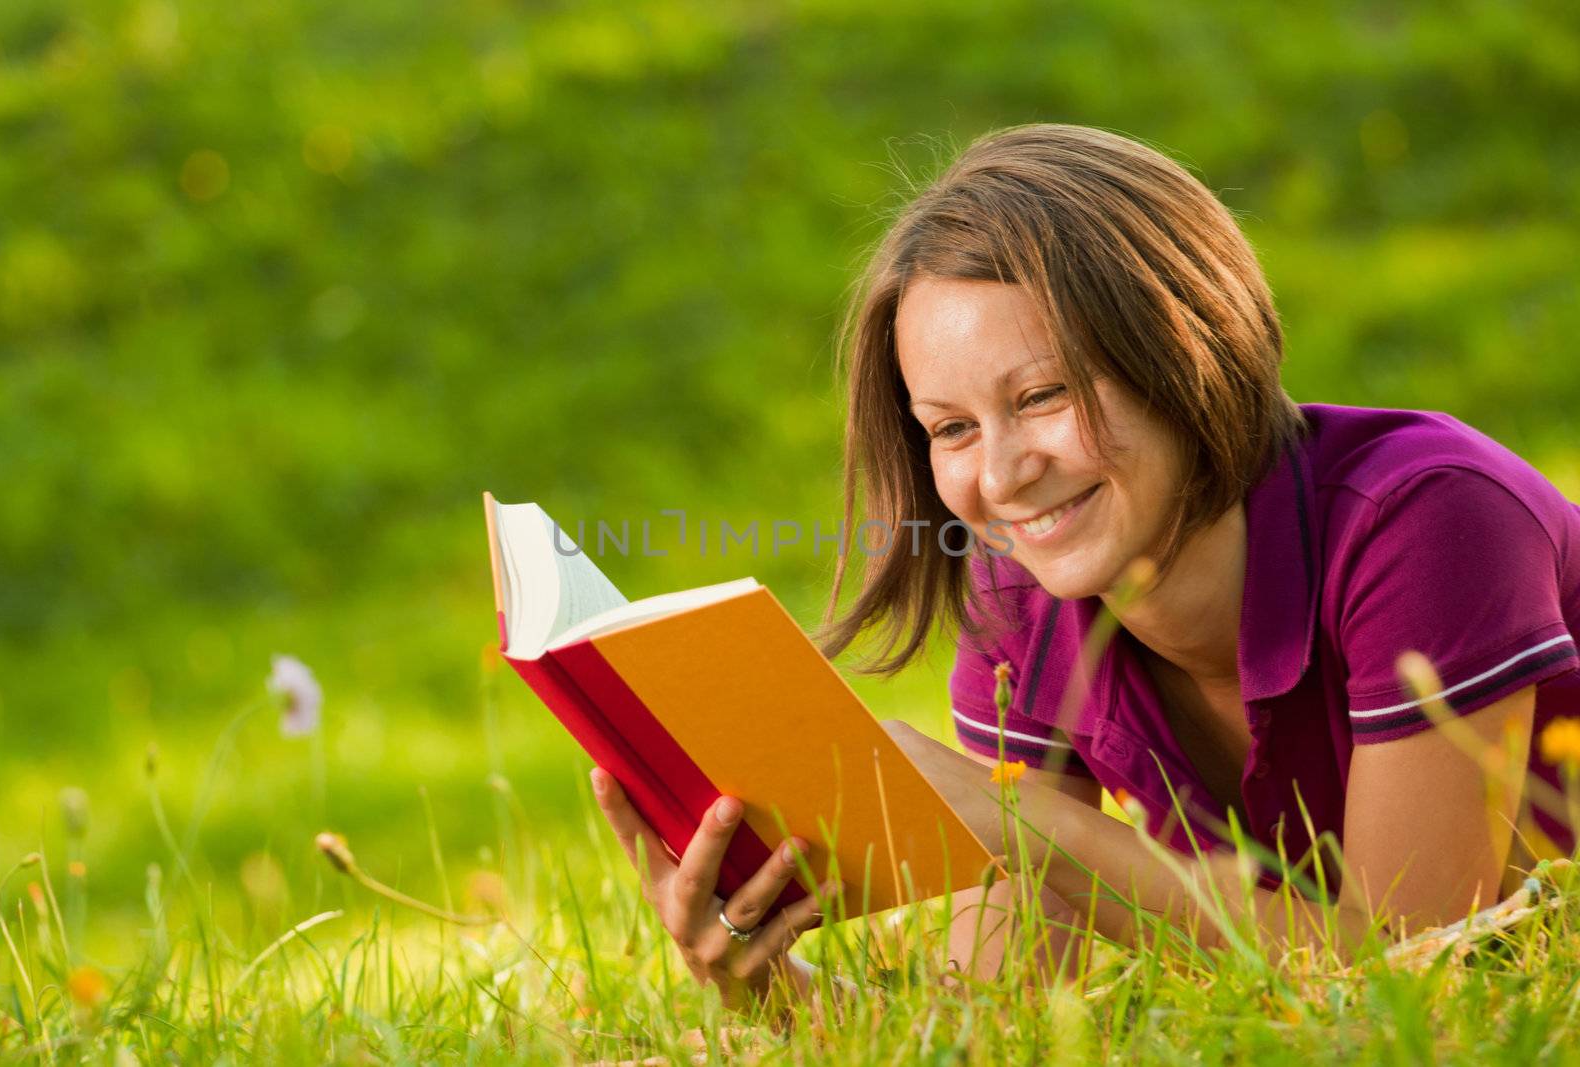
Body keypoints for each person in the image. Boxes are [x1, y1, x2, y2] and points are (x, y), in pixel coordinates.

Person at [590, 123, 1580, 1008]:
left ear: (1188, 349)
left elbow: (1414, 976)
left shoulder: (1428, 520)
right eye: (950, 428)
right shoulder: (1023, 600)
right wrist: (775, 983)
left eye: (1043, 393)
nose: (1003, 474)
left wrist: (1021, 823)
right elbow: (996, 1023)